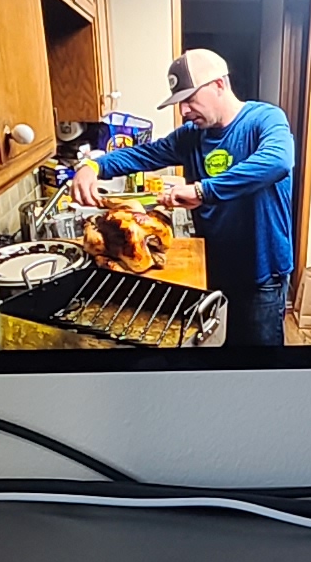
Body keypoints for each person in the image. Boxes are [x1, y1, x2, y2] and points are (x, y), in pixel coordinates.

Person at [73, 48, 296, 348]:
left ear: (219, 84)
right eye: (180, 102)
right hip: (213, 269)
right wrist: (92, 166)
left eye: (190, 99)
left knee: (259, 369)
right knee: (219, 355)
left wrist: (202, 190)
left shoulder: (265, 120)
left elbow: (277, 161)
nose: (184, 111)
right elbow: (144, 154)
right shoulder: (190, 135)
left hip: (261, 277)